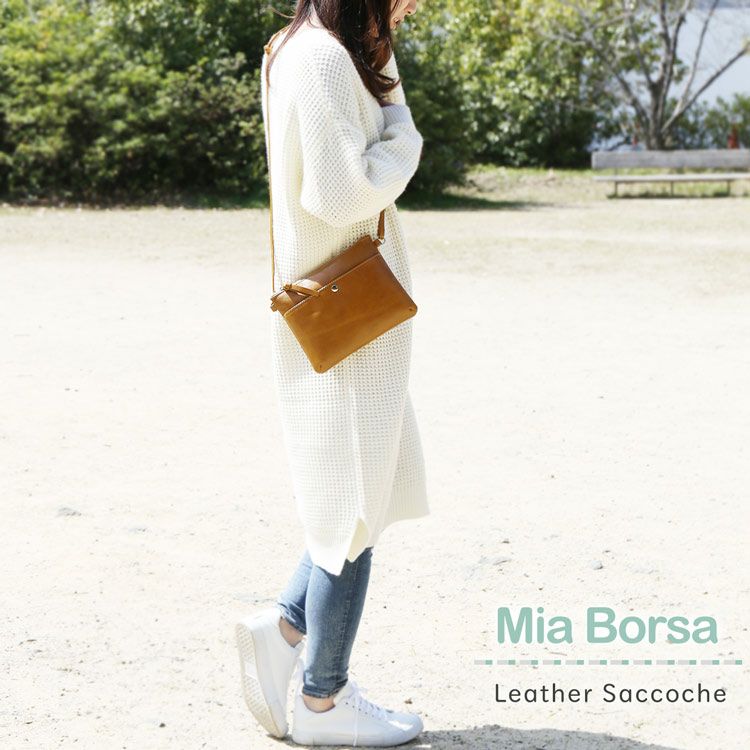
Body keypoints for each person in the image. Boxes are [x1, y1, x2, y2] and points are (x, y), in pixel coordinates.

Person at [236, 0, 428, 746]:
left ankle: (286, 627)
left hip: (344, 304)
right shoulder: (320, 59)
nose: (415, 4)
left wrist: (382, 58)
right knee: (352, 508)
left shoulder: (306, 47)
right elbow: (344, 192)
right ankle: (324, 700)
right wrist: (405, 137)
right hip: (344, 309)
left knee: (360, 491)